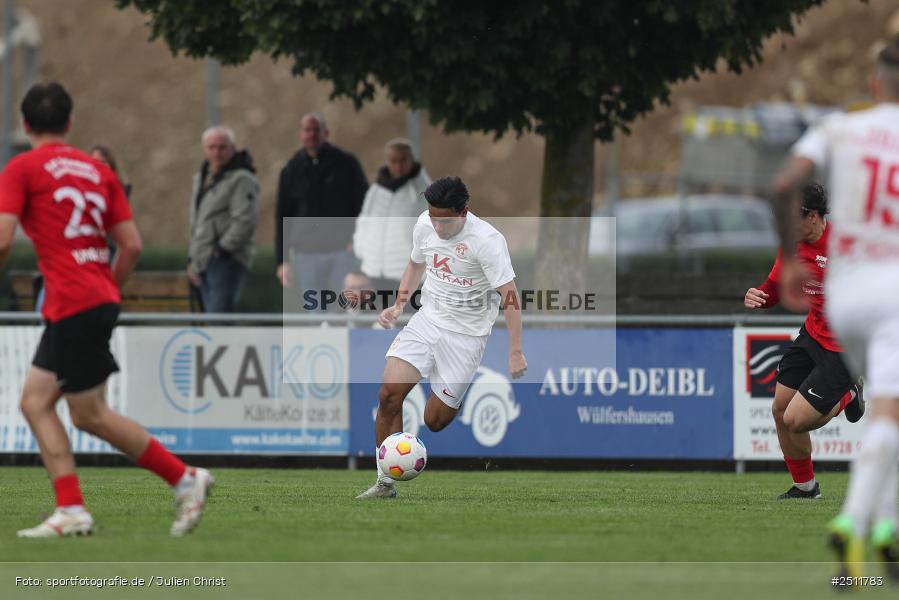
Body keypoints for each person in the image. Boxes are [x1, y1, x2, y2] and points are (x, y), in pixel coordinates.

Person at [0, 82, 213, 538]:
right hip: (92, 297)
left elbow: (2, 238)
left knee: (89, 413)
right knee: (36, 402)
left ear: (24, 125)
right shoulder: (98, 171)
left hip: (71, 301)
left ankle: (183, 478)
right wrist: (104, 289)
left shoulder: (21, 168)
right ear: (70, 124)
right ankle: (72, 508)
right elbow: (131, 245)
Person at [771, 37, 899, 580]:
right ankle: (874, 523)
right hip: (890, 293)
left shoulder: (841, 127)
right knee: (890, 419)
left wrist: (791, 265)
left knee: (794, 413)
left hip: (848, 301)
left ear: (875, 85)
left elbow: (781, 186)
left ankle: (862, 518)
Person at [356, 176, 528, 499]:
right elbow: (414, 264)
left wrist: (515, 350)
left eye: (444, 220)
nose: (437, 226)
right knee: (388, 395)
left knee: (434, 420)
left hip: (466, 337)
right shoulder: (425, 224)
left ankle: (452, 394)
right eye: (432, 217)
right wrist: (398, 305)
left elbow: (510, 295)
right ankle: (384, 483)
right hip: (427, 322)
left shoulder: (487, 241)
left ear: (464, 212)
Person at [744, 183, 864, 500]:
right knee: (779, 409)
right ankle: (805, 488)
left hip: (843, 349)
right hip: (812, 335)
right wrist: (759, 296)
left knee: (796, 420)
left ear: (813, 216)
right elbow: (774, 287)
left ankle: (849, 394)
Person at [275, 113, 367, 303]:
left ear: (326, 132)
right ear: (301, 134)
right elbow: (283, 216)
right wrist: (282, 261)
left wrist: (357, 239)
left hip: (342, 250)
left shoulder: (346, 163)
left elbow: (364, 205)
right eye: (307, 130)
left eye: (316, 129)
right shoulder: (291, 170)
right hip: (306, 254)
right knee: (316, 311)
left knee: (353, 304)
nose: (312, 134)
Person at [187, 126, 259, 313]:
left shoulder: (241, 179)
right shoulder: (201, 178)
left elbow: (245, 220)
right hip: (203, 260)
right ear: (204, 149)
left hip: (227, 259)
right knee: (211, 321)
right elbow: (198, 222)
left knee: (220, 318)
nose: (216, 152)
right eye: (211, 147)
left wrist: (222, 250)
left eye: (222, 147)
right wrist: (193, 259)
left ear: (232, 148)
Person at [353, 138, 430, 295]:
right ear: (387, 161)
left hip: (407, 273)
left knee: (408, 317)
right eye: (394, 161)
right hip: (374, 270)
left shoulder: (423, 190)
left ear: (411, 160)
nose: (398, 166)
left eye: (403, 160)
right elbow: (364, 222)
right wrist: (361, 250)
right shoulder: (376, 191)